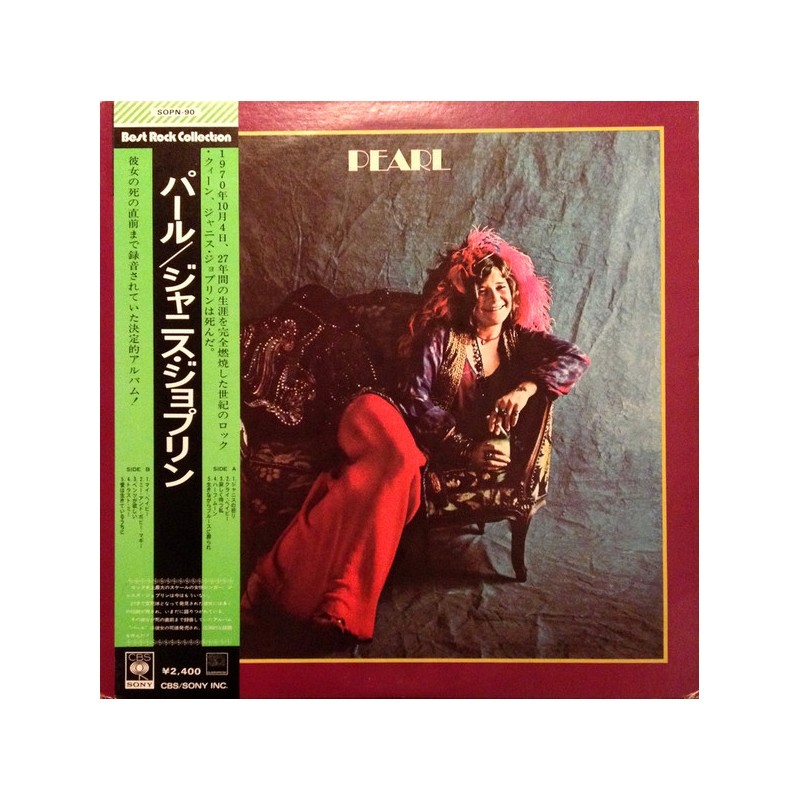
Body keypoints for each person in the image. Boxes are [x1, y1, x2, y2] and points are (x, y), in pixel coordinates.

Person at [241, 227, 589, 654]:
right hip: (375, 409)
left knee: (398, 473)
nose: (494, 298)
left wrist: (525, 389)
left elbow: (573, 357)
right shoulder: (443, 336)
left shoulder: (520, 343)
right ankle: (326, 603)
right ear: (467, 297)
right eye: (482, 290)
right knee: (400, 461)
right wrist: (466, 448)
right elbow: (413, 399)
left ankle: (292, 590)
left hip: (414, 447)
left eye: (502, 287)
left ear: (515, 293)